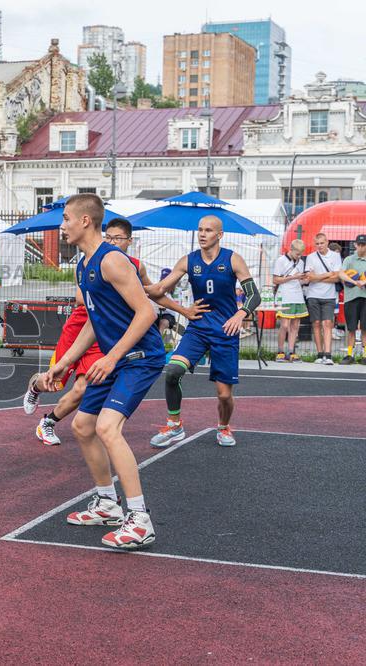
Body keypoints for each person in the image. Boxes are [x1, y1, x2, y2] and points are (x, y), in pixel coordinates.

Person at [42, 193, 164, 550]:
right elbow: (95, 323)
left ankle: (140, 519)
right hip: (114, 358)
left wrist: (111, 358)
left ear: (84, 221)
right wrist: (65, 362)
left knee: (108, 427)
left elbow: (147, 313)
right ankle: (107, 504)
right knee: (82, 426)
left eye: (65, 218)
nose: (61, 225)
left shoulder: (112, 261)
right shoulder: (84, 265)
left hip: (140, 356)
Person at [24, 218, 206, 446]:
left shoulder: (135, 266)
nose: (111, 241)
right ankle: (35, 385)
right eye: (108, 237)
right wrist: (115, 291)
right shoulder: (89, 261)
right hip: (82, 326)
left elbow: (153, 294)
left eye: (117, 238)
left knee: (82, 388)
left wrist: (183, 311)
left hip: (108, 335)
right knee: (55, 382)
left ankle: (48, 423)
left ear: (129, 241)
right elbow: (81, 297)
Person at [146, 215, 259, 449]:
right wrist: (183, 310)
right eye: (200, 230)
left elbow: (254, 295)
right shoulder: (188, 261)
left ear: (219, 235)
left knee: (224, 395)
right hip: (198, 328)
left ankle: (223, 426)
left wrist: (240, 314)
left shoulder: (233, 259)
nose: (202, 234)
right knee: (173, 372)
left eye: (208, 230)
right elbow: (158, 291)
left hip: (225, 331)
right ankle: (174, 425)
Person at [302, 233, 341, 364]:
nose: (319, 246)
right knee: (316, 324)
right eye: (317, 244)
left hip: (329, 296)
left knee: (327, 324)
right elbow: (309, 277)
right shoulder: (311, 257)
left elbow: (337, 277)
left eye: (322, 243)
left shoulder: (335, 256)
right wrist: (327, 274)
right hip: (313, 295)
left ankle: (328, 355)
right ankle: (320, 354)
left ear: (327, 242)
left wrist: (317, 277)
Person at [272, 239, 309, 362]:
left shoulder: (300, 262)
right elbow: (275, 280)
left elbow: (299, 280)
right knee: (284, 325)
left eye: (301, 254)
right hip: (285, 294)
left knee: (295, 326)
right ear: (291, 249)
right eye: (297, 253)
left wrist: (305, 279)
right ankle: (280, 351)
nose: (299, 256)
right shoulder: (281, 260)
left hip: (297, 295)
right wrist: (294, 277)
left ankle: (291, 351)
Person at [339, 234, 366, 364]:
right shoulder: (349, 259)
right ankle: (350, 355)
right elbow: (341, 274)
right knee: (351, 328)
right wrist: (355, 282)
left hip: (365, 297)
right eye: (359, 244)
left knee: (365, 328)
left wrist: (364, 282)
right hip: (351, 298)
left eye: (364, 245)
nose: (361, 247)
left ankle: (365, 355)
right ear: (355, 245)